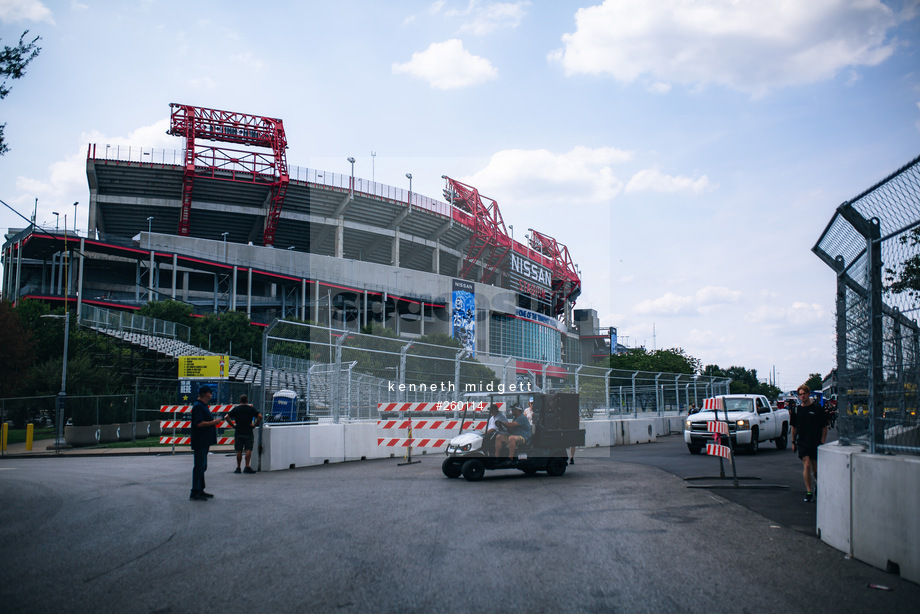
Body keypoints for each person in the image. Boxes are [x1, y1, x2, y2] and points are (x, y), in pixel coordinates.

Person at [790, 384, 828, 503]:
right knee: (806, 465)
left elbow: (824, 427)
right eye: (800, 394)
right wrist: (793, 441)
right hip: (803, 441)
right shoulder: (797, 410)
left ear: (809, 394)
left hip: (815, 441)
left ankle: (818, 483)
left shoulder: (817, 409)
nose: (802, 396)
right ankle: (809, 491)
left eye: (804, 394)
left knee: (815, 468)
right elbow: (794, 427)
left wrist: (822, 441)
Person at [190, 385, 221, 501]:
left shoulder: (202, 406)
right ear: (205, 394)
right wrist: (213, 422)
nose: (211, 394)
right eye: (210, 392)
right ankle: (195, 491)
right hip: (200, 440)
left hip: (204, 441)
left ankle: (200, 489)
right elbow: (198, 423)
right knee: (199, 466)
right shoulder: (198, 406)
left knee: (203, 466)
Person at [227, 394, 262, 474]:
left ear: (240, 401)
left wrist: (232, 425)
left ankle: (238, 467)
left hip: (239, 430)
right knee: (248, 449)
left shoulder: (236, 409)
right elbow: (260, 416)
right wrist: (255, 425)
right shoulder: (250, 409)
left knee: (239, 450)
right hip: (248, 430)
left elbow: (226, 417)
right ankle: (247, 466)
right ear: (247, 401)